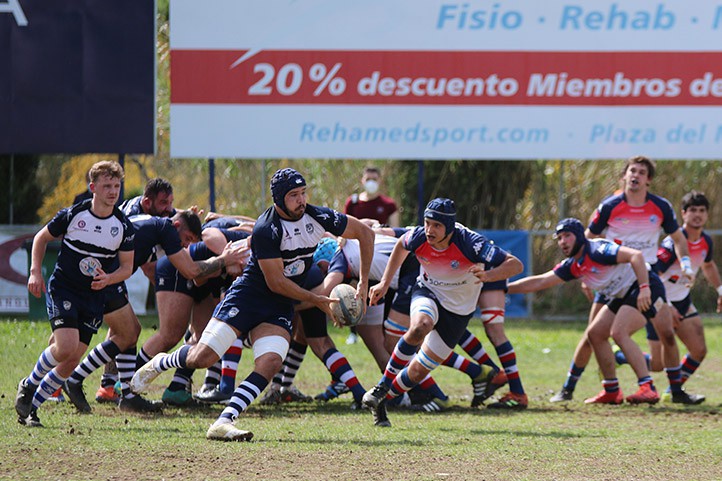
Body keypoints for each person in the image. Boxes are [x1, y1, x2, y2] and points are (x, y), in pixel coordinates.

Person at [131, 168, 375, 441]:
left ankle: (224, 421)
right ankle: (162, 362)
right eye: (294, 195)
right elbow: (276, 282)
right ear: (279, 200)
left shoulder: (318, 217)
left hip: (279, 305)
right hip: (248, 296)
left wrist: (363, 284)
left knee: (270, 362)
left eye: (303, 193)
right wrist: (318, 300)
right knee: (202, 358)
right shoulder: (265, 229)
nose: (301, 200)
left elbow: (365, 233)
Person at [61, 212, 246, 412]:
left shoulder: (154, 225)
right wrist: (224, 259)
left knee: (131, 333)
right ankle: (77, 379)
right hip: (103, 276)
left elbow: (149, 264)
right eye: (186, 240)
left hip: (107, 275)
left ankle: (128, 393)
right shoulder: (167, 229)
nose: (187, 246)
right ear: (177, 226)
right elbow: (191, 271)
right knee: (143, 334)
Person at [361, 198, 523, 427]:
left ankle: (382, 401)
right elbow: (401, 245)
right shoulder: (419, 235)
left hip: (458, 313)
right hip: (428, 292)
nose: (430, 230)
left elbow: (516, 265)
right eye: (427, 223)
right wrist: (385, 283)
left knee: (416, 373)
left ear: (449, 227)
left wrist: (489, 276)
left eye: (436, 225)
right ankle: (382, 386)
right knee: (420, 326)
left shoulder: (470, 243)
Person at [549, 156, 695, 403]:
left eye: (641, 172)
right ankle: (568, 388)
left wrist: (687, 264)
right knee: (592, 334)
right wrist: (584, 272)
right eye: (631, 171)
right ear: (624, 176)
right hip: (609, 280)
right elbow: (586, 238)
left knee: (666, 334)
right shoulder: (609, 206)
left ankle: (675, 391)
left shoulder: (660, 206)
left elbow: (679, 239)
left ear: (648, 180)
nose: (635, 175)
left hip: (643, 279)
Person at [509, 218, 698, 405]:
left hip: (642, 286)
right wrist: (504, 287)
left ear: (579, 236)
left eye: (567, 235)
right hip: (622, 294)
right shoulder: (573, 265)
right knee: (595, 333)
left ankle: (648, 388)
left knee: (622, 332)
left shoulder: (597, 250)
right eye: (559, 238)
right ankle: (611, 390)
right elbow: (540, 281)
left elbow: (636, 256)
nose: (563, 241)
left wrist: (644, 288)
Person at [16, 161, 135, 427]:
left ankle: (30, 409)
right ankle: (29, 384)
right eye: (106, 186)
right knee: (66, 347)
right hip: (64, 288)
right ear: (93, 187)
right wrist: (35, 271)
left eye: (116, 186)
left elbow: (126, 267)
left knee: (70, 362)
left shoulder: (123, 226)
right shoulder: (73, 215)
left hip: (94, 296)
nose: (113, 191)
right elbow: (40, 239)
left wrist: (109, 278)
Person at [647, 191, 721, 402]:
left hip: (683, 302)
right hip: (660, 303)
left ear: (707, 214)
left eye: (702, 211)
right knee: (657, 364)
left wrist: (720, 290)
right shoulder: (672, 244)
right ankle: (621, 356)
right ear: (683, 214)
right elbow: (653, 276)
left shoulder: (705, 241)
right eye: (692, 211)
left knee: (699, 350)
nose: (697, 215)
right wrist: (666, 306)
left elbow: (708, 265)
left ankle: (673, 391)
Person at [343, 166, 400, 345]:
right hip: (356, 257)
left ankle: (386, 331)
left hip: (381, 258)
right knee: (354, 293)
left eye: (374, 179)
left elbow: (396, 230)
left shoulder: (388, 205)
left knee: (385, 293)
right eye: (368, 179)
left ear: (380, 181)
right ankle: (353, 331)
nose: (371, 182)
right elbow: (343, 229)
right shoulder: (352, 203)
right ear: (362, 180)